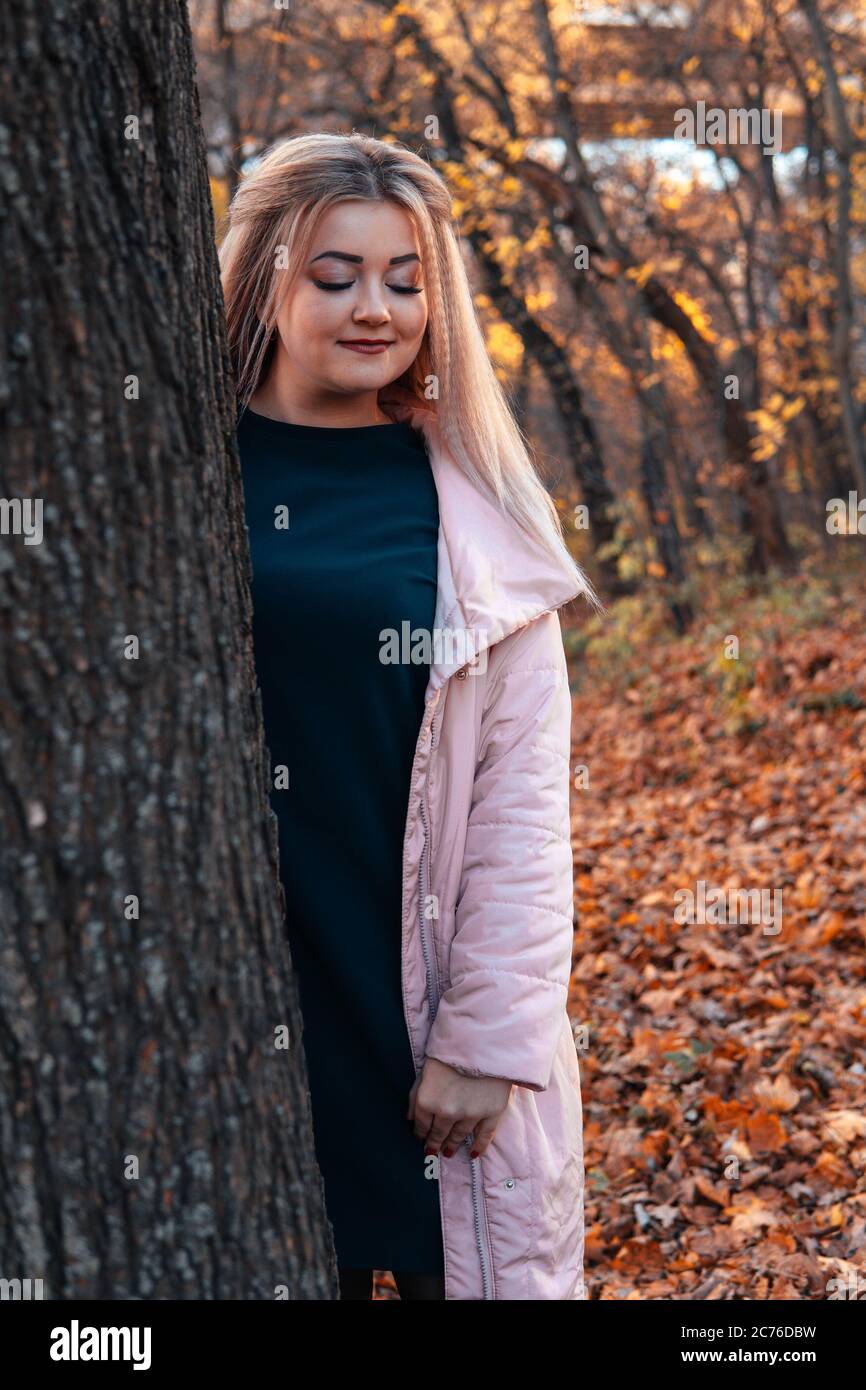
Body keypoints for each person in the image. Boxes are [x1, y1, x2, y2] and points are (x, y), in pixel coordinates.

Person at [219, 131, 600, 1300]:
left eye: (405, 276)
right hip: (238, 1014)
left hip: (419, 1012)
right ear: (264, 278)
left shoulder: (474, 508)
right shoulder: (175, 471)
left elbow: (522, 809)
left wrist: (486, 1043)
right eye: (334, 275)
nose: (374, 306)